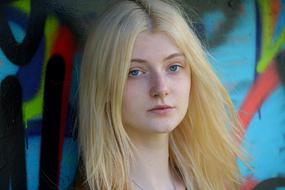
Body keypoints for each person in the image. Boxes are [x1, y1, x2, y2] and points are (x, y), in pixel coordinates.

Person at [77, 0, 245, 189]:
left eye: (174, 67)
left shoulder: (213, 184)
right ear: (105, 86)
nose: (161, 88)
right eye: (135, 72)